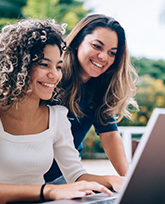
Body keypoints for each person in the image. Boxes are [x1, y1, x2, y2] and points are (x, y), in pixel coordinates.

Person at [0, 19, 124, 204]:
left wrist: (114, 180)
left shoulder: (58, 116)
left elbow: (76, 174)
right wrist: (49, 191)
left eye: (58, 66)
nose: (55, 75)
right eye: (44, 64)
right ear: (20, 65)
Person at [45, 14, 139, 184]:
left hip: (67, 176)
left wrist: (129, 180)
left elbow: (109, 134)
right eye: (97, 46)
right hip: (31, 176)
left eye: (112, 53)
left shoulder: (100, 89)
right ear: (76, 42)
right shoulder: (50, 79)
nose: (103, 57)